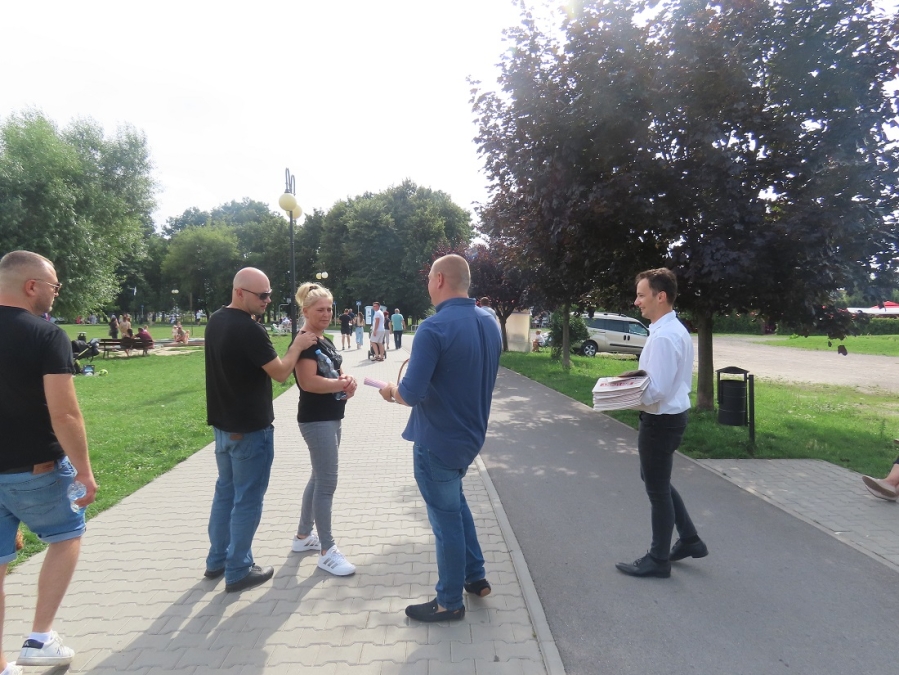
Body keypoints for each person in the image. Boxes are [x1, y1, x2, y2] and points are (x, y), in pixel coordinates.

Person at [378, 254, 502, 622]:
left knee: (445, 521)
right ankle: (475, 576)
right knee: (456, 506)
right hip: (470, 437)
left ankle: (449, 600)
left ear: (440, 280)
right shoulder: (489, 320)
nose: (428, 284)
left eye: (429, 278)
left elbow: (410, 394)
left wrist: (390, 391)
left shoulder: (433, 328)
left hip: (437, 441)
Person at [0, 250, 99, 673]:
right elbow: (65, 414)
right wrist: (84, 470)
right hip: (35, 468)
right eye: (54, 285)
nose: (57, 292)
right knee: (66, 534)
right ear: (31, 286)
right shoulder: (45, 334)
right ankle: (40, 637)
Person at [204, 267, 317, 593]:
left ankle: (217, 560)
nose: (268, 300)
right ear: (239, 292)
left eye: (270, 294)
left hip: (223, 428)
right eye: (262, 295)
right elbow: (280, 373)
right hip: (250, 430)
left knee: (225, 493)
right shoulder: (248, 329)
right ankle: (239, 569)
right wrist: (296, 346)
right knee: (247, 500)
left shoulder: (216, 320)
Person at [615, 268, 707, 579]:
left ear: (661, 296)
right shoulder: (669, 330)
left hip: (660, 420)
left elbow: (657, 390)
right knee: (656, 480)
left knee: (656, 489)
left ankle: (658, 559)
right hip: (669, 418)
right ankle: (690, 539)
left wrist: (617, 394)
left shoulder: (665, 337)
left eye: (642, 295)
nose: (637, 301)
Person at [291, 283, 358, 576]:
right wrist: (338, 384)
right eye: (320, 309)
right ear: (305, 311)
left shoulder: (323, 340)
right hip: (316, 420)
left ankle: (303, 536)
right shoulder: (305, 342)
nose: (327, 314)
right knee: (327, 483)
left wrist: (348, 381)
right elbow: (308, 382)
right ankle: (327, 551)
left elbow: (334, 372)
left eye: (330, 309)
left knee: (318, 477)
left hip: (331, 416)